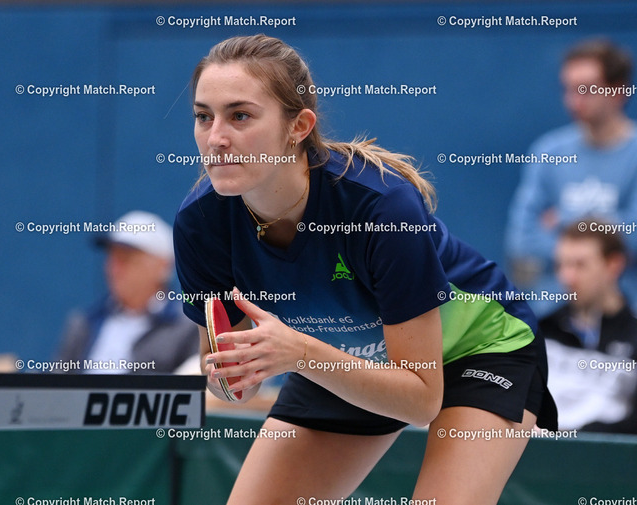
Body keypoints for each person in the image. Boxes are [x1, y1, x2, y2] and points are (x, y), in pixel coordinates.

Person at [174, 35, 557, 504]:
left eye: (240, 116)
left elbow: (420, 400)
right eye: (203, 116)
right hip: (338, 358)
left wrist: (301, 354)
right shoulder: (200, 223)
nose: (216, 138)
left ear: (299, 127)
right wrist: (234, 375)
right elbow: (222, 374)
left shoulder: (383, 207)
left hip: (478, 350)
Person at [506, 38, 637, 317]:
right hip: (552, 315)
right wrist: (605, 232)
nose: (574, 100)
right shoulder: (548, 152)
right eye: (568, 88)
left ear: (618, 91)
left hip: (626, 316)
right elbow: (521, 239)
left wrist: (563, 218)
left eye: (586, 88)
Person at [56, 210, 198, 374]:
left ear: (163, 266)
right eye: (112, 258)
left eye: (126, 258)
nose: (115, 269)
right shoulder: (83, 324)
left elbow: (197, 385)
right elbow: (56, 383)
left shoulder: (188, 327)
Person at [540, 219, 637, 434]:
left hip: (607, 453)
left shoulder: (633, 336)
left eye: (580, 265)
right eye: (562, 265)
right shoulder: (541, 332)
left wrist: (576, 435)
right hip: (543, 452)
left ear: (613, 265)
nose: (567, 277)